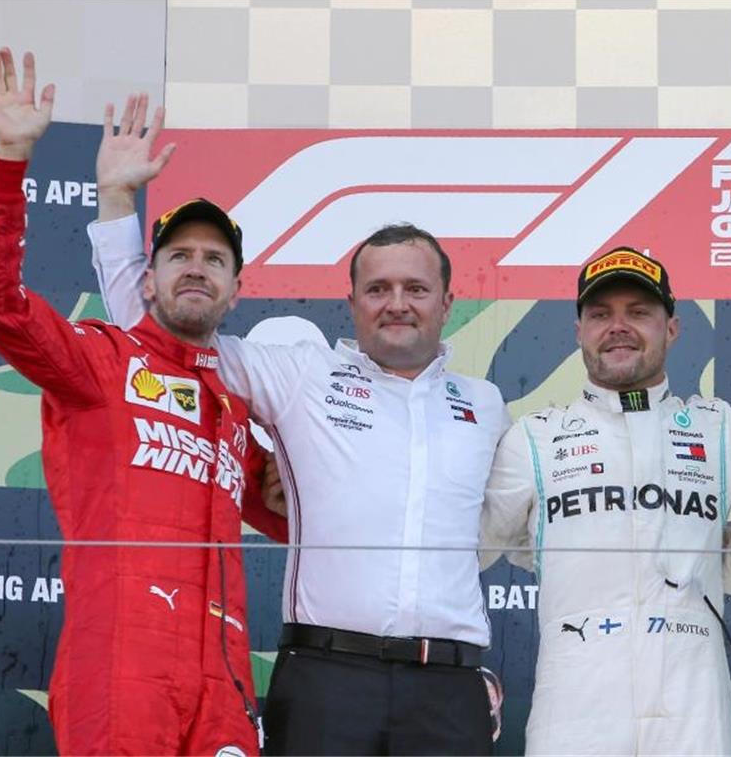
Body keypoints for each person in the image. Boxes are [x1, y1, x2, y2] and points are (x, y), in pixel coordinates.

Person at [89, 117, 510, 754]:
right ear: (352, 302)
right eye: (378, 289)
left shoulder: (485, 403)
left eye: (415, 289)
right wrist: (118, 203)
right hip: (326, 679)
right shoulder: (302, 376)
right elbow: (157, 345)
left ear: (447, 304)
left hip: (449, 686)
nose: (397, 302)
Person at [0, 48, 285, 755]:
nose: (196, 268)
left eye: (214, 260)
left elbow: (296, 520)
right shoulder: (101, 361)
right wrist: (11, 162)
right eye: (179, 256)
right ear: (147, 281)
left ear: (236, 289)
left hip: (225, 679)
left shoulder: (236, 413)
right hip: (122, 668)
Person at [480, 247, 731, 755]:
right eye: (601, 315)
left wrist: (704, 553)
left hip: (692, 711)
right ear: (578, 332)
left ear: (673, 328)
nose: (618, 327)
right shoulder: (533, 438)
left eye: (639, 312)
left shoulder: (724, 431)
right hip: (575, 710)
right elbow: (481, 546)